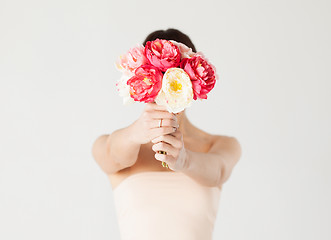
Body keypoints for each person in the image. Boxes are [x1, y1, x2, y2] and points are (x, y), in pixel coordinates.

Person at [92, 28, 242, 240]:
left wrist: (185, 160)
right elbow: (109, 154)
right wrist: (136, 133)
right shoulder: (120, 147)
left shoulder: (219, 145)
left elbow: (218, 171)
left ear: (193, 86)